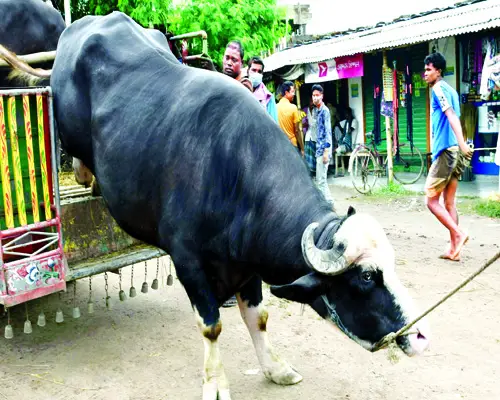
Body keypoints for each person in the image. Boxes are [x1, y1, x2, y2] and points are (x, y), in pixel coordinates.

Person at [423, 52, 473, 262]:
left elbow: (451, 116)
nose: (425, 74)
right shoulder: (451, 89)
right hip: (455, 151)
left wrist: (462, 144)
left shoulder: (438, 89)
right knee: (449, 203)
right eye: (425, 69)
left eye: (428, 69)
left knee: (431, 201)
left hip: (446, 151)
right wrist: (461, 146)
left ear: (438, 71)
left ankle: (459, 234)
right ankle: (455, 249)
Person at [311, 84, 334, 205]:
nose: (315, 97)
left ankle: (328, 203)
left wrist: (326, 151)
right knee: (320, 179)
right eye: (313, 95)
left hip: (324, 150)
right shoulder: (316, 111)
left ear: (322, 96)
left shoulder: (325, 111)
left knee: (321, 181)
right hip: (318, 149)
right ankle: (327, 203)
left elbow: (328, 132)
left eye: (317, 95)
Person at [247, 56, 278, 122]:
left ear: (262, 74)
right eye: (253, 70)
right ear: (248, 71)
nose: (256, 74)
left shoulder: (268, 98)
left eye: (259, 71)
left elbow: (274, 124)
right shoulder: (241, 91)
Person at [277, 81, 304, 155]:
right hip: (292, 144)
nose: (294, 94)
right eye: (292, 92)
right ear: (286, 93)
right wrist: (302, 148)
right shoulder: (293, 108)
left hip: (280, 144)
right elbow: (297, 130)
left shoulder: (275, 107)